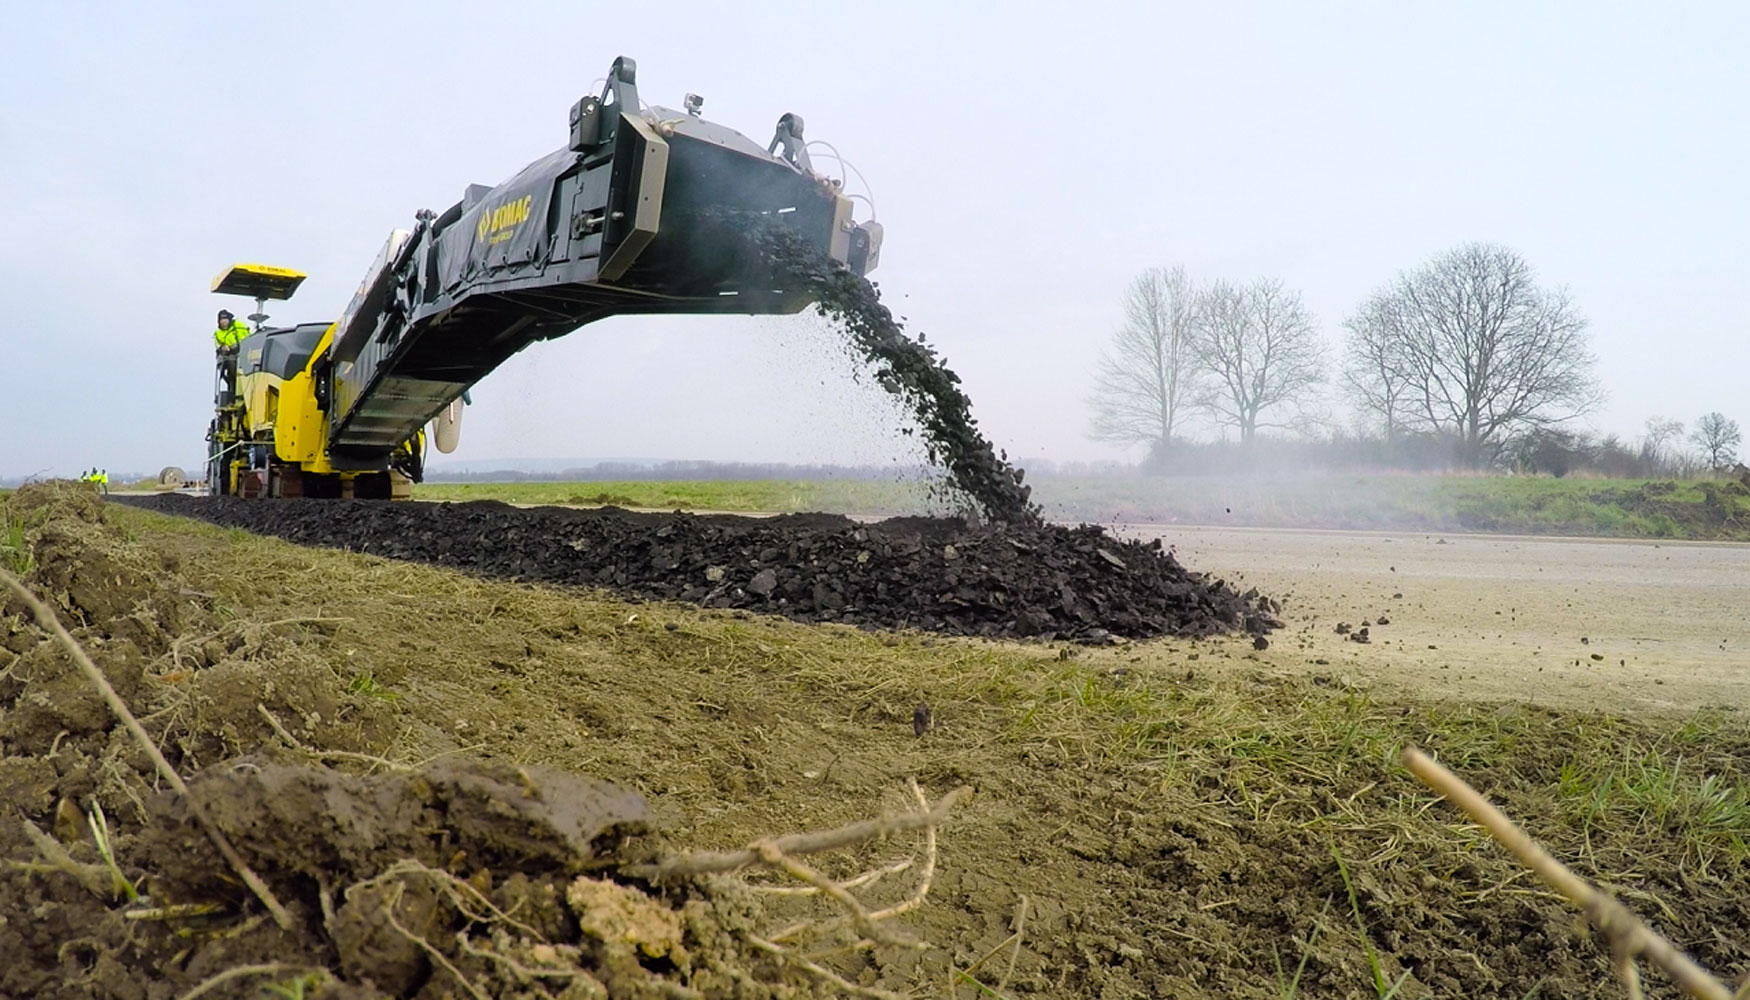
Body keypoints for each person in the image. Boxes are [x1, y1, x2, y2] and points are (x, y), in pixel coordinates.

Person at [214, 309, 247, 406]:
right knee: (229, 374)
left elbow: (244, 341)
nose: (223, 321)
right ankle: (232, 393)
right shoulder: (218, 333)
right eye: (221, 319)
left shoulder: (238, 327)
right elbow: (217, 346)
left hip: (240, 356)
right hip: (227, 359)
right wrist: (222, 349)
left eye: (225, 319)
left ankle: (237, 392)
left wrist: (233, 348)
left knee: (234, 371)